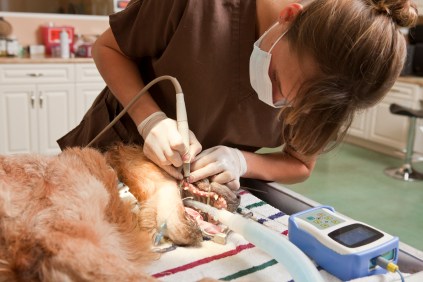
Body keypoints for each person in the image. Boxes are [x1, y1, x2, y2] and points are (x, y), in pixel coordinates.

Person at [58, 0, 417, 191]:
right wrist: (149, 119)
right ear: (289, 18)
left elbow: (301, 164)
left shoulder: (328, 91)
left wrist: (242, 161)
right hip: (109, 153)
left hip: (188, 190)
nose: (276, 101)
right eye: (277, 78)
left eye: (294, 105)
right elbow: (107, 48)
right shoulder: (197, 6)